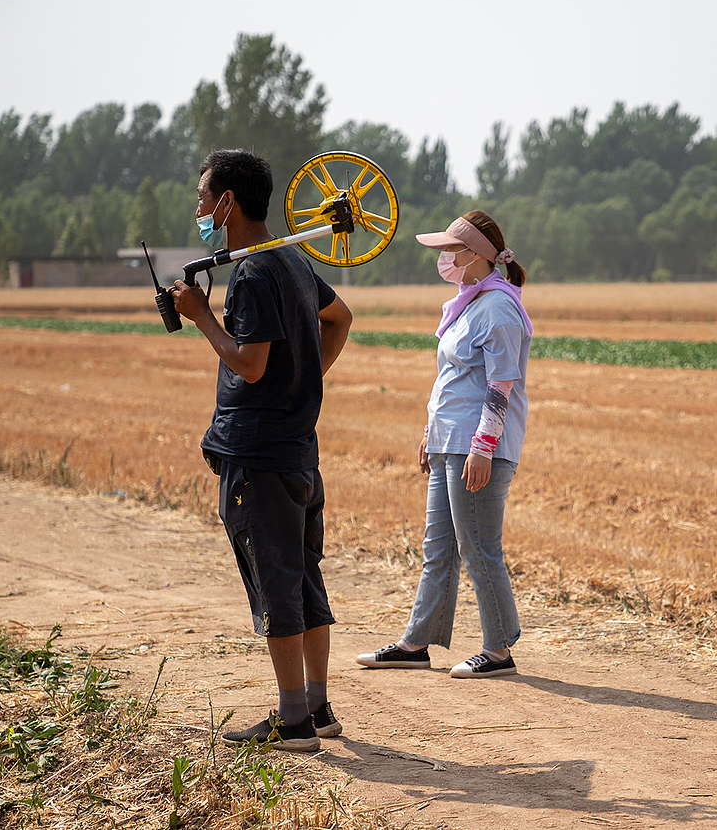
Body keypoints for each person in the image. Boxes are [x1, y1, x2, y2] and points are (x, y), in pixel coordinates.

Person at [172, 149, 353, 751]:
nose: (198, 207)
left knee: (277, 585)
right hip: (299, 448)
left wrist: (200, 316)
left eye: (204, 197)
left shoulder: (251, 273)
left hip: (261, 456)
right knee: (304, 577)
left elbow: (250, 364)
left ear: (227, 204)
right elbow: (341, 319)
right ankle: (320, 706)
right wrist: (303, 385)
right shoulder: (292, 259)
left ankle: (293, 721)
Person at [356, 210, 532, 678]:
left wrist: (483, 447)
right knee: (439, 546)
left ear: (475, 255)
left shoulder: (497, 309)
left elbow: (501, 386)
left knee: (478, 549)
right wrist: (429, 434)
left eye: (450, 251)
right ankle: (416, 643)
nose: (442, 259)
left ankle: (498, 651)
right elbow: (452, 380)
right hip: (449, 440)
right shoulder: (470, 303)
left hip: (476, 447)